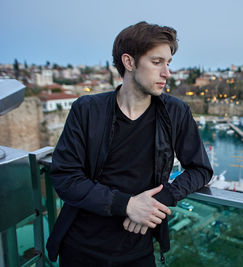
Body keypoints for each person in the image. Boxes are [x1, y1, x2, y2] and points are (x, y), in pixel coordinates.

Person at [46, 21, 213, 266]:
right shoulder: (87, 110)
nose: (167, 73)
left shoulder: (176, 112)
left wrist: (160, 199)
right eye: (157, 62)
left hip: (139, 250)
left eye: (168, 63)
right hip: (80, 248)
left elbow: (201, 169)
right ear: (129, 62)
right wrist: (128, 205)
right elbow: (65, 177)